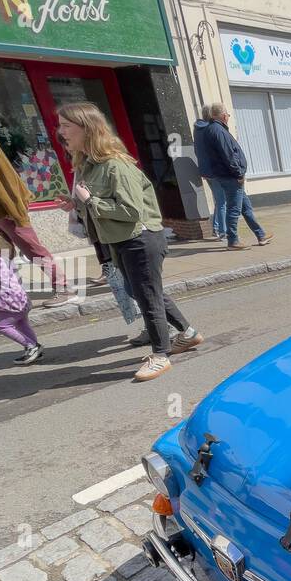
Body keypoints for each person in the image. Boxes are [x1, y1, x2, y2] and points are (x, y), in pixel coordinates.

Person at [55, 102, 203, 382]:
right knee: (140, 291)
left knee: (147, 297)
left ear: (87, 128)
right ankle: (188, 333)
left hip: (140, 238)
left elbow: (131, 211)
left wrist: (92, 202)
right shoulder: (88, 165)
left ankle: (160, 355)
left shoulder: (115, 165)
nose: (61, 132)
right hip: (119, 240)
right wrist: (76, 203)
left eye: (66, 126)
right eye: (60, 125)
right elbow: (101, 204)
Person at [0, 129, 75, 308]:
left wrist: (15, 210)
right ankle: (13, 297)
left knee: (32, 250)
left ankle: (64, 288)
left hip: (5, 208)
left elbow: (2, 176)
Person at [193, 104, 271, 249]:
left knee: (245, 207)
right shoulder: (218, 131)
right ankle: (233, 240)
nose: (228, 117)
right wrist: (238, 173)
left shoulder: (212, 130)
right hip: (231, 176)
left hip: (225, 174)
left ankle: (261, 234)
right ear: (223, 116)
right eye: (228, 114)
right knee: (234, 209)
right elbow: (228, 155)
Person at [0, 226, 43, 364]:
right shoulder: (2, 258)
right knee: (21, 323)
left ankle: (32, 346)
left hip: (9, 301)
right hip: (18, 298)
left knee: (2, 326)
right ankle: (35, 347)